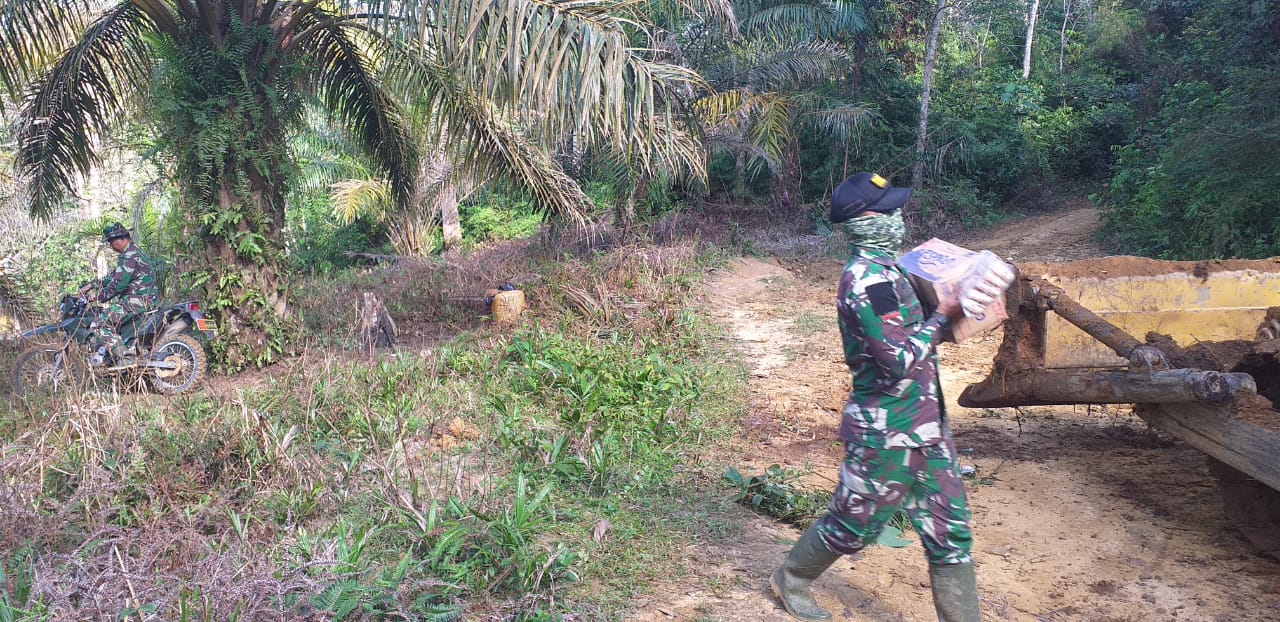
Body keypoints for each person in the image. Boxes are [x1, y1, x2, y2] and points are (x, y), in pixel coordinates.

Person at [770, 172, 979, 621]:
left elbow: (922, 333)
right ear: (864, 220)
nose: (898, 218)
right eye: (888, 211)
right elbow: (898, 359)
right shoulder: (865, 281)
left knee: (951, 533)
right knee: (853, 525)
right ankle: (791, 578)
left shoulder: (894, 269)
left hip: (927, 428)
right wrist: (940, 319)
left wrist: (954, 305)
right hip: (887, 432)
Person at [80, 223, 158, 366]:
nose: (111, 246)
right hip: (145, 300)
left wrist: (97, 297)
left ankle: (126, 359)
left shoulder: (128, 256)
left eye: (111, 242)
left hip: (135, 301)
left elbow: (119, 284)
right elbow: (115, 275)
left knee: (99, 324)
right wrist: (92, 285)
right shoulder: (135, 252)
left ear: (121, 239)